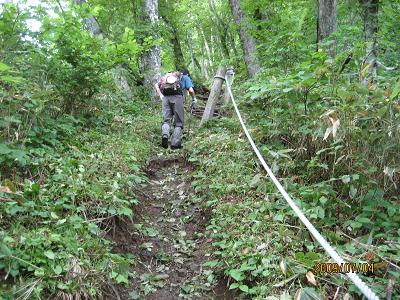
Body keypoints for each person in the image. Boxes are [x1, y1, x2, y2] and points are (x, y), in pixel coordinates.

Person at [154, 69, 197, 149]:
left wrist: (161, 95)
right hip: (177, 98)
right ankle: (175, 143)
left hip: (165, 98)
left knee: (166, 120)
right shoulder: (185, 77)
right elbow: (190, 90)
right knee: (179, 122)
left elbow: (156, 85)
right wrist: (194, 98)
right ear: (186, 74)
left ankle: (165, 134)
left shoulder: (167, 78)